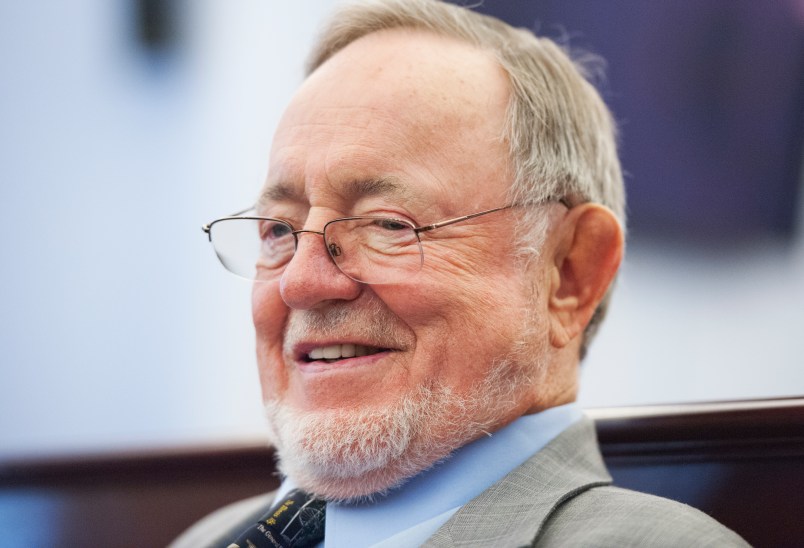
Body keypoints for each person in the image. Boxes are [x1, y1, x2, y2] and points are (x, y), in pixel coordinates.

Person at [175, 0, 749, 546]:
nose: (300, 282)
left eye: (387, 225)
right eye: (278, 231)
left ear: (569, 275)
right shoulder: (206, 540)